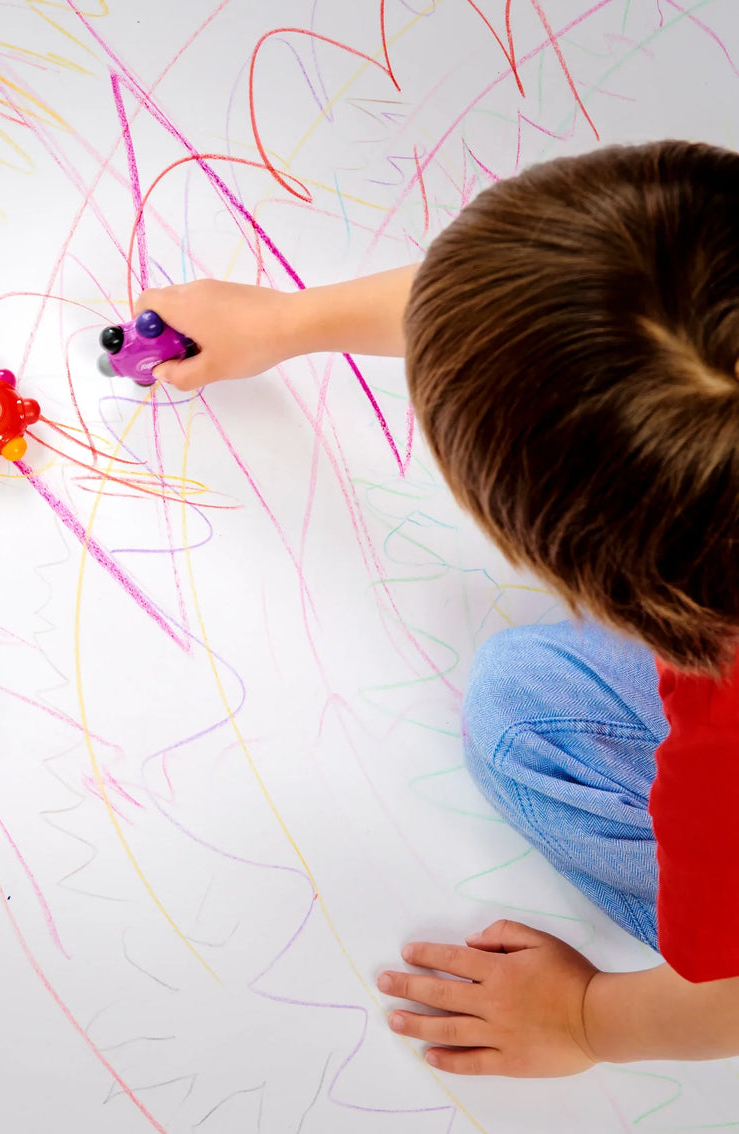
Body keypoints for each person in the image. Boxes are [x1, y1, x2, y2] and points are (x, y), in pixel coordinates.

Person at [133, 140, 739, 1078]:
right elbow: (572, 310)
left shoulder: (720, 749)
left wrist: (586, 1019)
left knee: (521, 713)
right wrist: (294, 321)